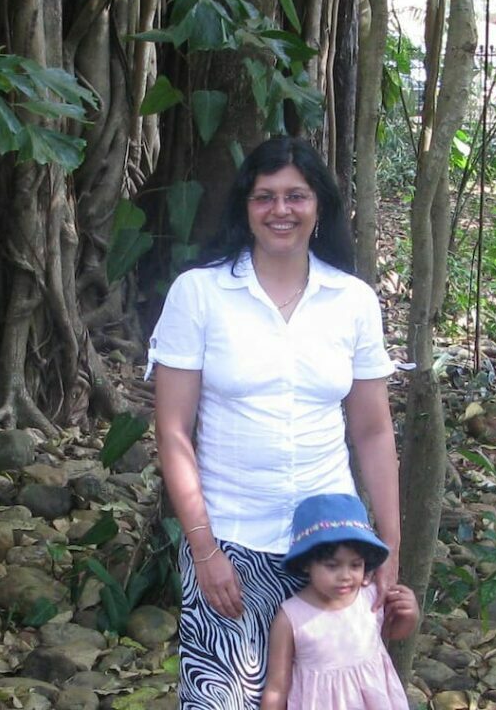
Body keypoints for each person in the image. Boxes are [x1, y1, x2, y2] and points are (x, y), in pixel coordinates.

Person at [150, 137, 402, 710]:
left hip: (333, 547)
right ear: (245, 205)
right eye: (265, 196)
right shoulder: (200, 294)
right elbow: (172, 432)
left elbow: (373, 432)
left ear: (320, 207)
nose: (280, 210)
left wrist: (387, 553)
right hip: (231, 542)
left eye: (296, 196)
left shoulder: (353, 300)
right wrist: (204, 550)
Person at [260, 492, 419, 710]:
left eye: (355, 565)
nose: (345, 575)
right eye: (332, 566)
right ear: (307, 563)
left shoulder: (370, 596)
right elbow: (277, 686)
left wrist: (410, 615)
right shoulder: (291, 617)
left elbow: (393, 633)